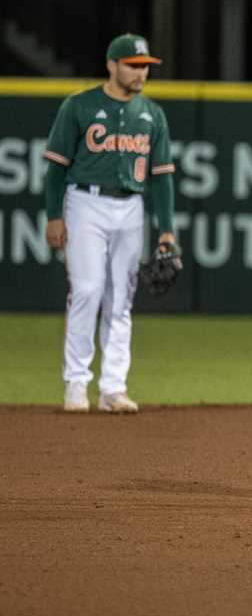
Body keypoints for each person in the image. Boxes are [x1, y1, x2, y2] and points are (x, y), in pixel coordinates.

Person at [43, 33, 179, 414]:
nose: (140, 74)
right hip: (85, 202)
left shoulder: (152, 114)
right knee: (87, 290)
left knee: (121, 297)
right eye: (133, 66)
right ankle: (75, 383)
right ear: (112, 65)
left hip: (131, 207)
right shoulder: (79, 107)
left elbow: (162, 176)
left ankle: (113, 388)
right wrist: (54, 215)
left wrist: (166, 228)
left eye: (145, 68)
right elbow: (55, 168)